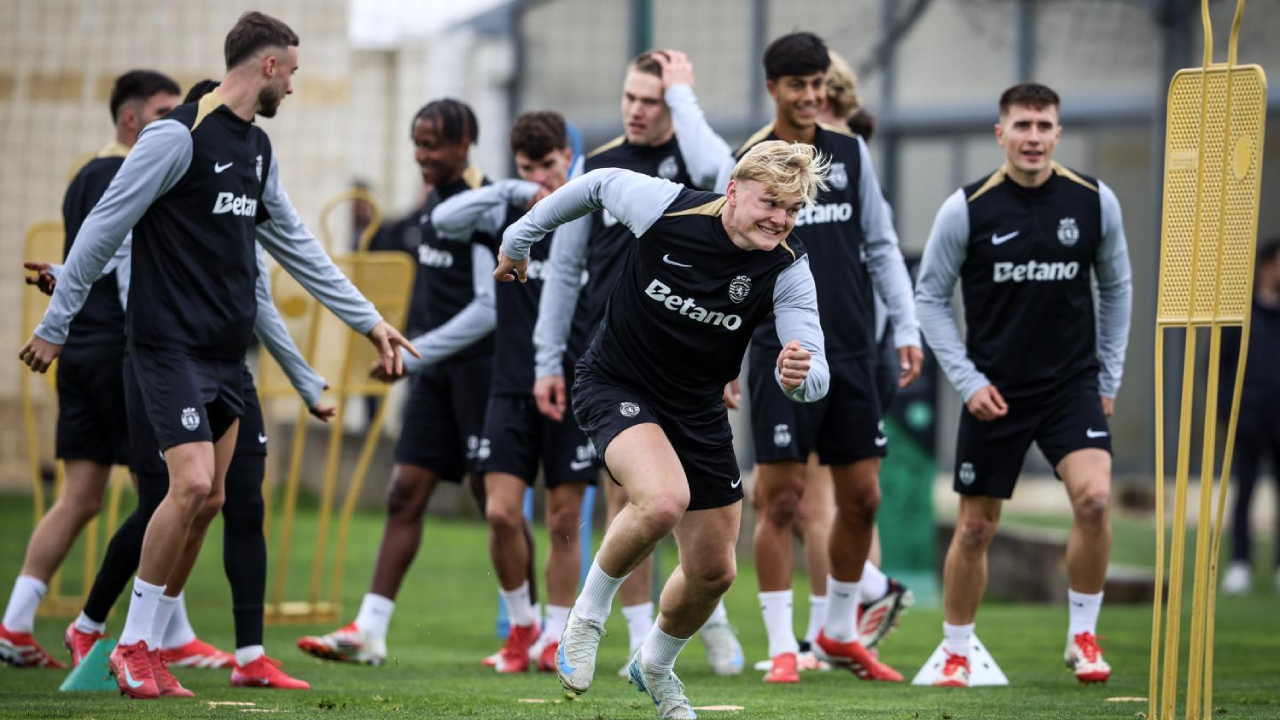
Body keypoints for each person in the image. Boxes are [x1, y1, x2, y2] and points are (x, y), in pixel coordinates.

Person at [19, 12, 416, 699]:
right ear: (267, 65)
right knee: (190, 484)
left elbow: (301, 248)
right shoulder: (176, 136)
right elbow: (104, 228)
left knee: (212, 500)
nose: (293, 87)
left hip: (227, 358)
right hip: (166, 348)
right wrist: (59, 322)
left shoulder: (258, 149)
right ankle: (127, 644)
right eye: (291, 72)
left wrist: (369, 322)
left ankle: (147, 647)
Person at [506, 140, 829, 718]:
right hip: (616, 383)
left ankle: (654, 664)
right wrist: (518, 239)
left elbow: (816, 370)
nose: (780, 219)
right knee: (660, 501)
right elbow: (594, 184)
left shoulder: (787, 267)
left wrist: (799, 377)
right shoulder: (667, 206)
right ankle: (586, 619)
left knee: (715, 571)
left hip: (698, 408)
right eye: (770, 202)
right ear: (733, 191)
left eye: (793, 209)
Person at [660, 33, 919, 683]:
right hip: (782, 351)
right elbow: (724, 264)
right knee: (779, 501)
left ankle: (838, 634)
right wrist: (722, 357)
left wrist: (906, 324)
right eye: (797, 84)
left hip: (852, 350)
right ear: (773, 87)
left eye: (817, 84)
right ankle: (782, 646)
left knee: (862, 499)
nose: (810, 96)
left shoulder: (851, 153)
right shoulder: (749, 161)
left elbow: (882, 245)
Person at [55, 79, 323, 691]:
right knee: (175, 496)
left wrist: (308, 381)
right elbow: (107, 242)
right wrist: (60, 293)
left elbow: (261, 292)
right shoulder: (169, 161)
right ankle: (102, 628)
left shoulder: (244, 178)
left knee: (225, 499)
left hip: (227, 365)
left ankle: (234, 653)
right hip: (161, 359)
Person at [296, 98, 535, 667]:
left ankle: (530, 629)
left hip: (481, 372)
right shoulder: (431, 203)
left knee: (494, 501)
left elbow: (488, 309)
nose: (422, 155)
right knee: (404, 491)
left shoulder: (486, 206)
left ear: (464, 145)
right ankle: (370, 630)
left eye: (433, 145)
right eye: (417, 144)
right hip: (431, 374)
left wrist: (416, 354)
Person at [533, 50, 744, 676]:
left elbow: (724, 171)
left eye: (651, 100)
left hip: (691, 361)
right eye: (630, 97)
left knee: (694, 512)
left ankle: (706, 617)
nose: (636, 110)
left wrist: (683, 96)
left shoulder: (699, 164)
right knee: (635, 497)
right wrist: (547, 360)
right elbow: (564, 269)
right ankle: (629, 633)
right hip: (614, 361)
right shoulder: (599, 166)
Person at [915, 82, 1132, 687]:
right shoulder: (966, 207)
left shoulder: (1094, 200)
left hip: (1072, 386)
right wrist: (967, 381)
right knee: (974, 528)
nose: (1033, 137)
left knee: (1094, 500)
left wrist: (1108, 375)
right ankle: (957, 650)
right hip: (995, 392)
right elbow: (929, 298)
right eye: (1022, 125)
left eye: (1043, 125)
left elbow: (1118, 289)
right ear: (1001, 133)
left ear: (1058, 133)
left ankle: (1083, 637)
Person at [0, 70, 180, 670]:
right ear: (130, 118)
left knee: (79, 498)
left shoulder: (83, 174)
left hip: (75, 352)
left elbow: (87, 252)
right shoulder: (137, 171)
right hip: (120, 352)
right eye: (163, 112)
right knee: (169, 493)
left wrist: (60, 278)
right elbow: (117, 254)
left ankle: (15, 623)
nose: (176, 124)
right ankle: (167, 633)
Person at [429, 110, 596, 674]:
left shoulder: (590, 214)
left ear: (569, 157)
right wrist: (510, 189)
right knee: (501, 513)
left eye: (548, 165)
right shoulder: (506, 211)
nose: (541, 178)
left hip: (575, 386)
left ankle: (556, 635)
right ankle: (522, 625)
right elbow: (442, 220)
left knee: (564, 517)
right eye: (528, 168)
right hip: (509, 385)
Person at [1220, 236, 1280, 595]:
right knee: (1244, 491)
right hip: (1247, 419)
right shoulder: (1241, 314)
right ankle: (1239, 563)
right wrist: (1228, 413)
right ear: (1266, 265)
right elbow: (1219, 366)